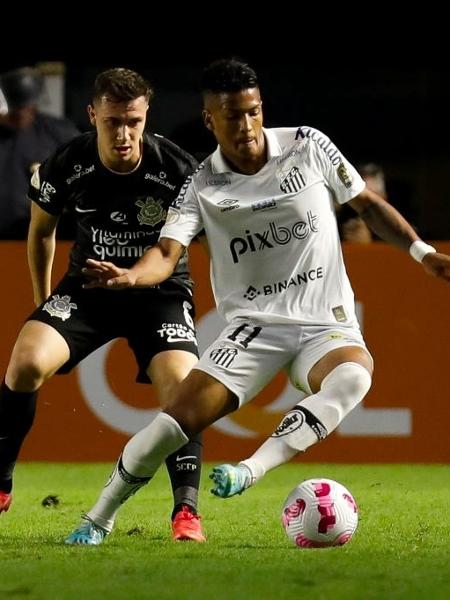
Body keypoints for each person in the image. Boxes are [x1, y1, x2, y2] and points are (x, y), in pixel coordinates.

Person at [65, 58, 450, 545]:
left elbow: (366, 205)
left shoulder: (307, 146)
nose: (246, 125)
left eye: (253, 112)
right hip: (252, 329)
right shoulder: (201, 185)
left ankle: (251, 469)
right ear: (210, 119)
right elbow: (166, 254)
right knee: (171, 426)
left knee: (354, 375)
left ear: (261, 107)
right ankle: (98, 517)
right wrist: (130, 277)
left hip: (322, 323)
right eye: (232, 115)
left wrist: (423, 253)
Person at [0, 67, 206, 543]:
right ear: (93, 115)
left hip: (159, 293)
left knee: (181, 387)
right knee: (27, 361)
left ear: (145, 114)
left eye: (133, 120)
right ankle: (2, 481)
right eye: (113, 121)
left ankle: (186, 513)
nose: (124, 133)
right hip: (89, 288)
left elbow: (172, 252)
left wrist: (134, 276)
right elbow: (41, 231)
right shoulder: (66, 163)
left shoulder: (176, 169)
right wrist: (42, 303)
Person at [0, 66, 79, 238]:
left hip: (42, 236)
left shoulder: (58, 133)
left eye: (24, 109)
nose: (19, 115)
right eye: (13, 111)